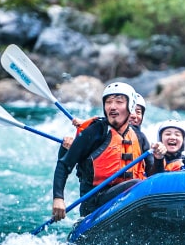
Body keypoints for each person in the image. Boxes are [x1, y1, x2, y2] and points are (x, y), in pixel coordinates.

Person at [51, 81, 163, 221]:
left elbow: (154, 177)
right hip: (95, 204)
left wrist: (159, 158)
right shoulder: (95, 131)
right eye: (108, 102)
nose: (112, 107)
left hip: (127, 200)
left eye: (119, 102)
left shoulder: (139, 137)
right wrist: (58, 198)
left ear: (131, 106)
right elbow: (64, 164)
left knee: (140, 184)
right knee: (136, 185)